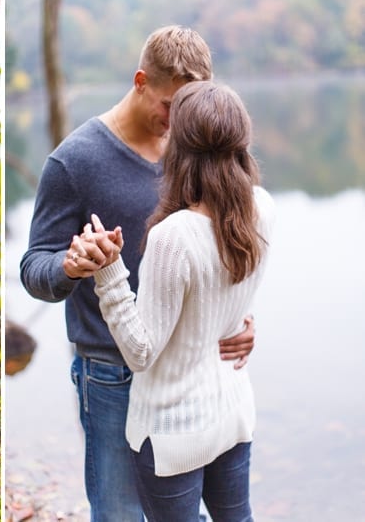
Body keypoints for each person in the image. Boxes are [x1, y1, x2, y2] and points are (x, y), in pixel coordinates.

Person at [19, 25, 255, 521]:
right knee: (121, 513)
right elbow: (33, 267)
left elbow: (226, 244)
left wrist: (239, 318)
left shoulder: (194, 151)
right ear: (141, 79)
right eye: (171, 105)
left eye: (188, 108)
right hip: (111, 375)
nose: (178, 121)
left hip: (193, 370)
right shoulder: (74, 161)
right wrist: (69, 264)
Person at [84, 80, 275, 521]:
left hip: (172, 433)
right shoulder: (262, 206)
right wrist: (244, 323)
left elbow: (141, 352)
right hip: (232, 411)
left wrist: (109, 272)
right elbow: (226, 296)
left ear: (178, 144)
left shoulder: (175, 236)